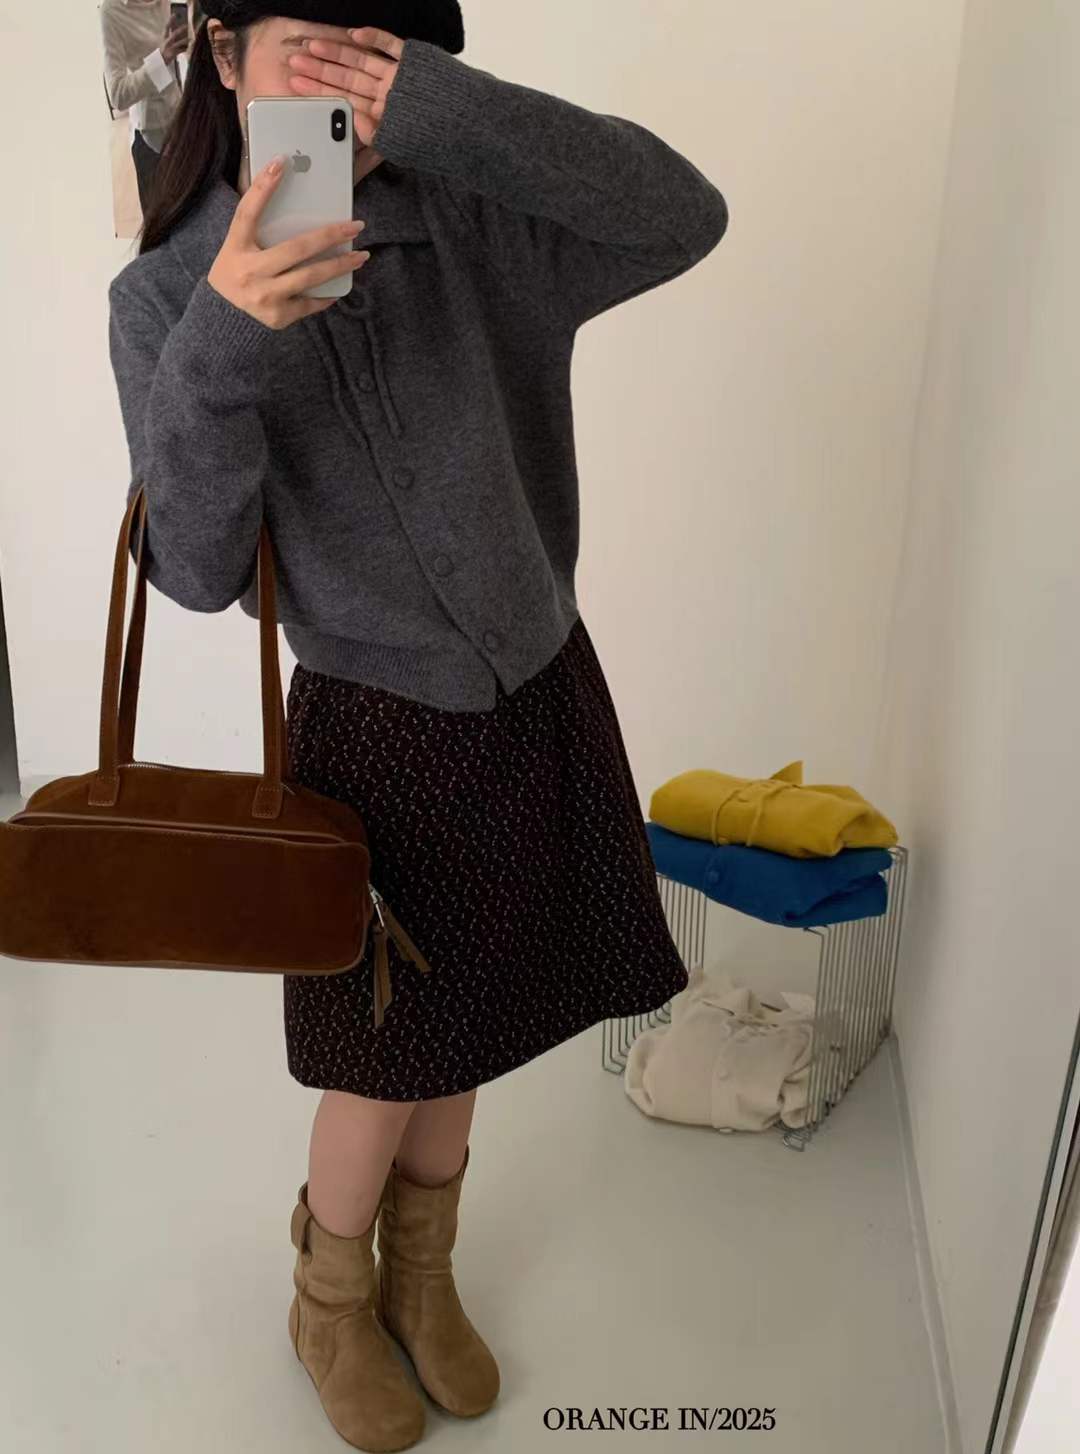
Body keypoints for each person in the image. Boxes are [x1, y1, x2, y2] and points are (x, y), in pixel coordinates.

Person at [105, 3, 728, 1449]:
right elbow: (192, 571)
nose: (338, 72)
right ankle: (330, 1296)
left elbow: (681, 215)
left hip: (539, 687)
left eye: (372, 41)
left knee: (472, 1027)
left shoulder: (473, 216)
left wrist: (448, 111)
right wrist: (228, 331)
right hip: (374, 735)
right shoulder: (167, 295)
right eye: (303, 41)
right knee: (376, 1066)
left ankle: (422, 1275)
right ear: (222, 55)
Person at [101, 0, 191, 211]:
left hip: (182, 117)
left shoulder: (167, 3)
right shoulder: (112, 11)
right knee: (157, 219)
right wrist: (161, 58)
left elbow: (182, 58)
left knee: (188, 211)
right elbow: (117, 95)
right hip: (150, 134)